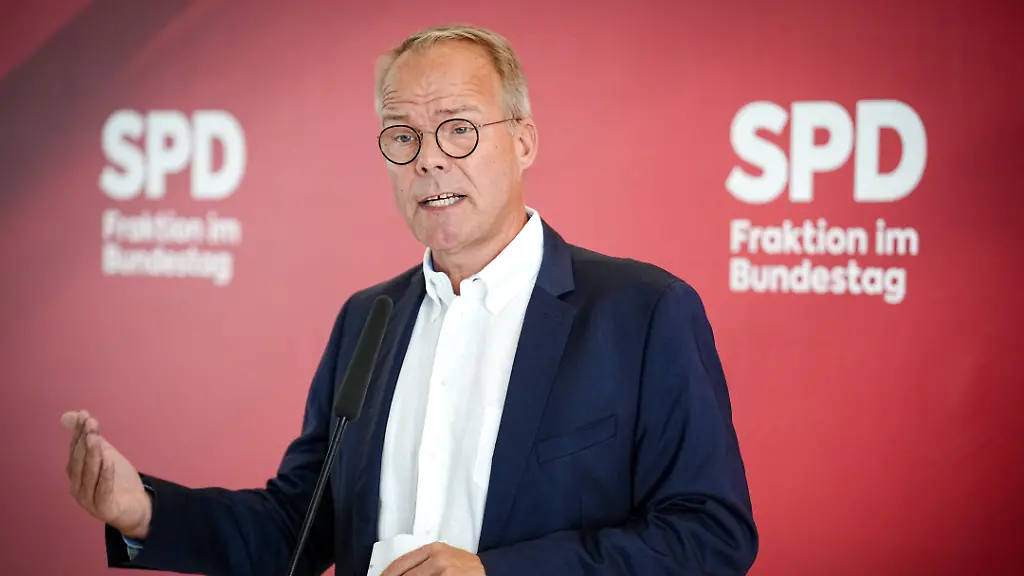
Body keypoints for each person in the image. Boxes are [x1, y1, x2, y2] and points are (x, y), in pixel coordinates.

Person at [62, 23, 758, 576]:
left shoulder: (642, 313)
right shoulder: (369, 319)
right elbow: (298, 526)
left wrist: (493, 573)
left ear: (523, 141)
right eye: (403, 136)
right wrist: (143, 510)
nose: (428, 158)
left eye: (458, 128)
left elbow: (709, 534)